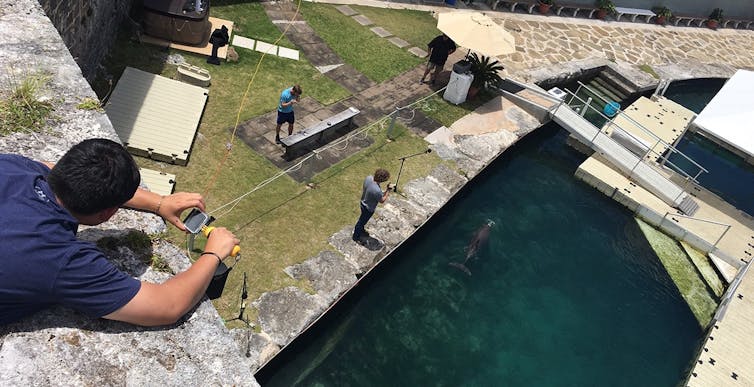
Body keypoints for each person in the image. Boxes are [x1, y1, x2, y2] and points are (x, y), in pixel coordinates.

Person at [0, 138, 240, 327]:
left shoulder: (13, 166)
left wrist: (159, 202)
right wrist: (213, 253)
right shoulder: (59, 260)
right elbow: (168, 306)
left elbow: (52, 170)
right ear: (107, 214)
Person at [353, 168, 391, 243]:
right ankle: (356, 237)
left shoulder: (369, 178)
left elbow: (372, 191)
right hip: (368, 208)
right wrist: (388, 190)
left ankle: (361, 230)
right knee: (361, 222)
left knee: (362, 220)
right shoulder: (376, 190)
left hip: (363, 202)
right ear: (382, 180)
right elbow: (382, 200)